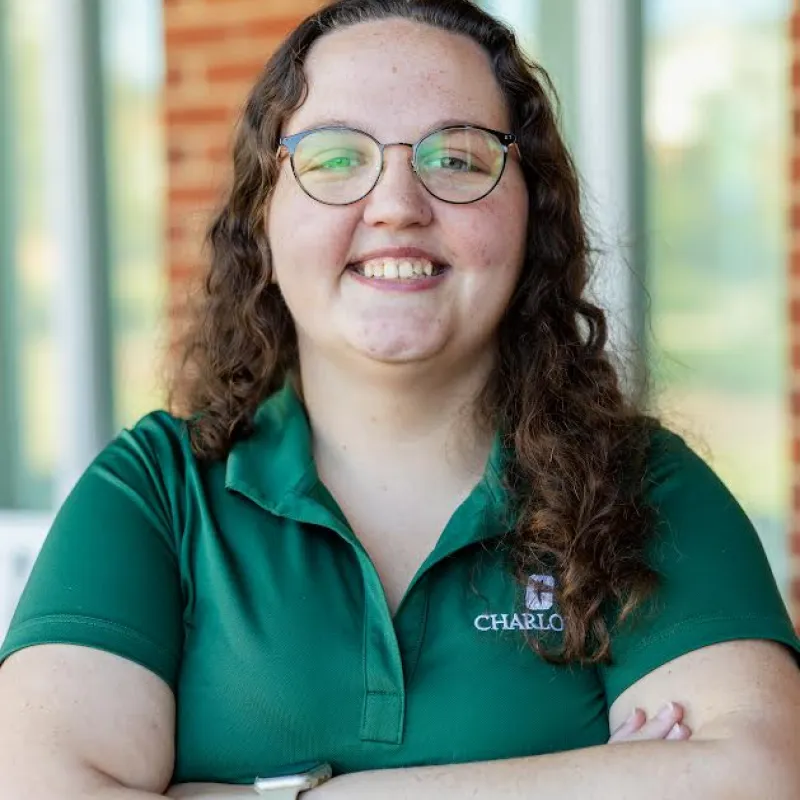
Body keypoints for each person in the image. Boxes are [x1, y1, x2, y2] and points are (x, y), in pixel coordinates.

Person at [1, 0, 799, 797]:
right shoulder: (158, 494)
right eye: (335, 158)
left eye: (455, 157)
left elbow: (757, 776)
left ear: (533, 219)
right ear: (262, 221)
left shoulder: (640, 488)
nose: (396, 206)